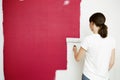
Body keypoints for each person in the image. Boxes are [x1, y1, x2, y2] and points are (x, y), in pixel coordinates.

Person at [73, 12, 115, 80]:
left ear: (92, 23)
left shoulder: (88, 39)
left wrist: (75, 51)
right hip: (104, 77)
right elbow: (112, 62)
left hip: (88, 77)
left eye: (89, 23)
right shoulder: (111, 40)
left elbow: (78, 58)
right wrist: (102, 73)